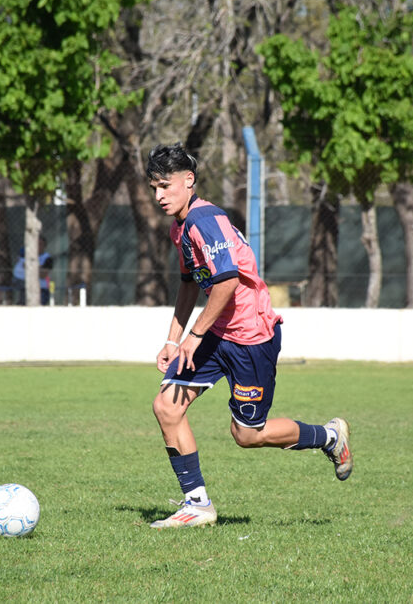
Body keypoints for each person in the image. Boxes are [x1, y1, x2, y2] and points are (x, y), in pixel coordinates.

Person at [145, 142, 352, 529]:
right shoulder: (181, 227)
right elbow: (189, 283)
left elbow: (226, 282)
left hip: (250, 337)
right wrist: (174, 339)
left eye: (165, 186)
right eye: (154, 188)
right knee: (167, 407)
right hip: (215, 333)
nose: (158, 196)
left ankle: (328, 436)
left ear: (188, 180)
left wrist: (194, 335)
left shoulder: (205, 221)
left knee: (247, 434)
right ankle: (198, 505)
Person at [12, 235, 54, 305]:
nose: (38, 246)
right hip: (19, 282)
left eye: (40, 244)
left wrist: (30, 266)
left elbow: (43, 275)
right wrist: (37, 268)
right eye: (36, 244)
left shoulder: (47, 258)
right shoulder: (24, 254)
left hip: (40, 287)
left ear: (44, 246)